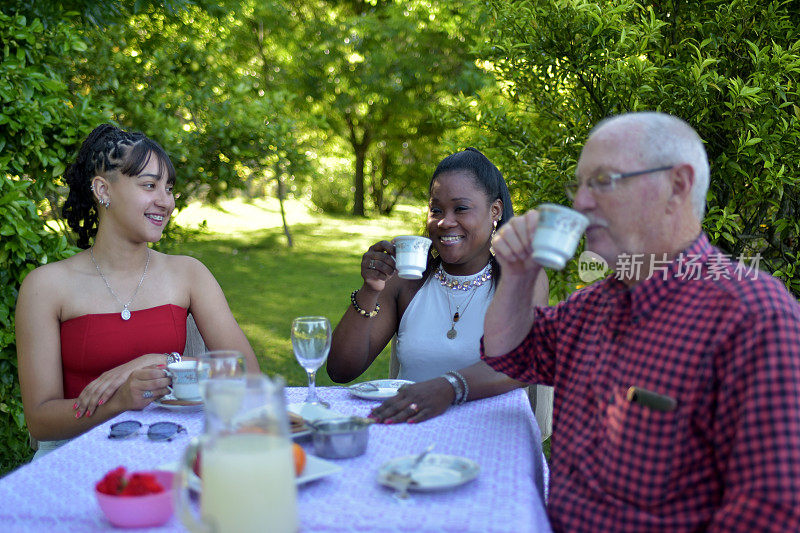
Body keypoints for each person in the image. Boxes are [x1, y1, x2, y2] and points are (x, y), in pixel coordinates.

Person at [482, 112, 800, 531]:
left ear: (677, 186)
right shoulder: (593, 305)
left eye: (603, 181)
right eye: (578, 186)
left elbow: (768, 513)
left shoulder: (754, 319)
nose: (580, 203)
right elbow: (509, 353)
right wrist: (519, 275)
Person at [15, 124, 258, 457]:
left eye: (169, 188)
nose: (166, 201)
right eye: (149, 185)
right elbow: (41, 421)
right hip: (76, 458)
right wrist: (117, 402)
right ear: (103, 190)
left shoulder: (189, 273)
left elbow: (247, 374)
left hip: (172, 449)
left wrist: (160, 361)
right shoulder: (46, 286)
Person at [327, 148, 549, 424]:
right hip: (410, 434)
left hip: (491, 437)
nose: (445, 222)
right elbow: (340, 369)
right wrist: (371, 290)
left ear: (495, 210)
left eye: (461, 208)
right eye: (436, 210)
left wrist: (447, 387)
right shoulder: (406, 282)